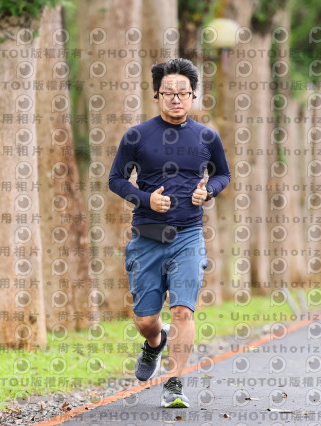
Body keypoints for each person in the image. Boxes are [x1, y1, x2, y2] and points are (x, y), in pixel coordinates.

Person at [108, 58, 231, 408]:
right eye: (169, 92)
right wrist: (145, 198)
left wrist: (209, 191)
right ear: (157, 95)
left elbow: (222, 174)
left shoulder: (207, 137)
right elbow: (116, 179)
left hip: (188, 235)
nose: (176, 98)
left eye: (183, 92)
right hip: (147, 236)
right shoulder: (137, 136)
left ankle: (174, 383)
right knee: (146, 320)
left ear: (192, 95)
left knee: (182, 312)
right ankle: (154, 343)